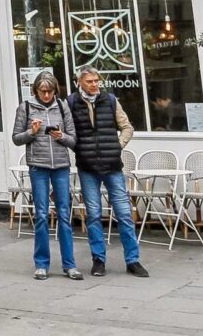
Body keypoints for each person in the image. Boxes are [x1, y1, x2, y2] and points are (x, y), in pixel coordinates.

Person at [70, 67, 147, 278]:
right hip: (87, 167)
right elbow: (68, 132)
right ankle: (98, 260)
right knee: (94, 215)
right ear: (79, 83)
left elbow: (127, 127)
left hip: (112, 166)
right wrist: (78, 149)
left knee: (124, 213)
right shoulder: (71, 102)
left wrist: (117, 146)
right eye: (89, 81)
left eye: (97, 81)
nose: (94, 84)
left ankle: (133, 260)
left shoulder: (110, 100)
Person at [20, 73, 81, 281]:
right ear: (36, 90)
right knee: (41, 214)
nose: (46, 95)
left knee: (64, 213)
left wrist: (61, 136)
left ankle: (69, 264)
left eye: (50, 91)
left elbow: (73, 140)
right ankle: (41, 264)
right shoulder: (26, 107)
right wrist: (31, 132)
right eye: (42, 91)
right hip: (38, 166)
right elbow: (16, 138)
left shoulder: (62, 107)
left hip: (61, 166)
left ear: (55, 90)